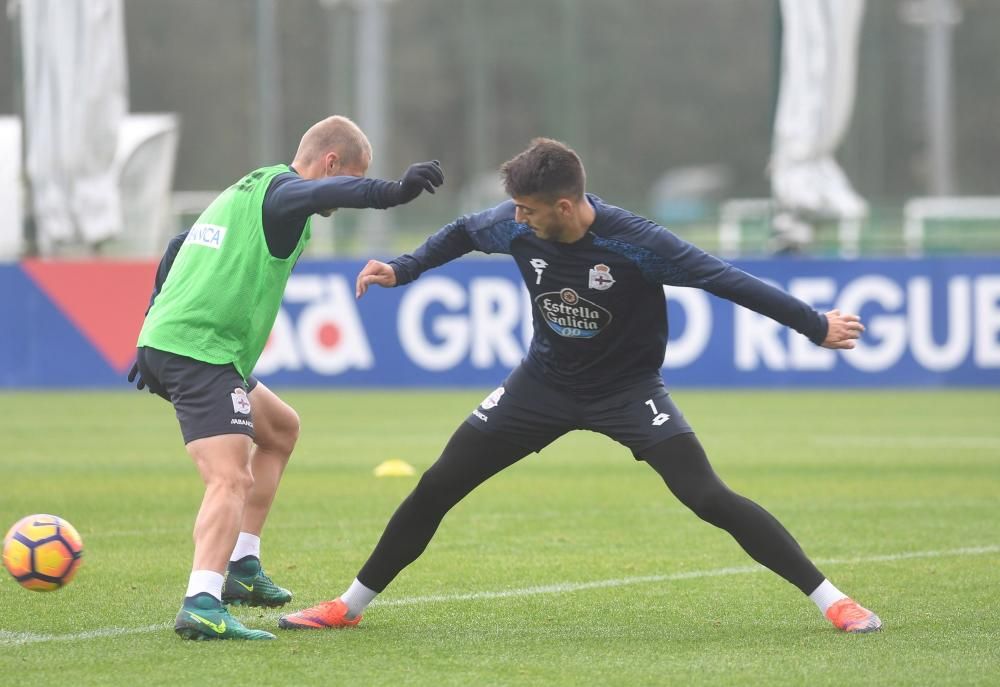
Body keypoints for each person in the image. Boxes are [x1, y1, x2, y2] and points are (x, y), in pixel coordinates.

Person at [278, 137, 882, 635]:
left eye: (528, 210)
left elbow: (727, 280)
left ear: (565, 207)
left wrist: (815, 324)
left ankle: (834, 601)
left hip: (628, 391)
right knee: (438, 484)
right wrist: (403, 268)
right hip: (540, 386)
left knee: (708, 497)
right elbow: (462, 231)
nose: (516, 218)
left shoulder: (638, 243)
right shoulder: (516, 224)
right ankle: (347, 607)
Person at [131, 115, 444, 640]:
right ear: (330, 163)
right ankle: (202, 602)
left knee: (280, 429)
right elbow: (346, 189)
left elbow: (178, 245)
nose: (338, 200)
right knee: (230, 477)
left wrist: (153, 324)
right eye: (343, 182)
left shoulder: (245, 189)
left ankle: (243, 570)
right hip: (199, 351)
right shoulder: (283, 195)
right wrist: (393, 192)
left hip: (187, 345)